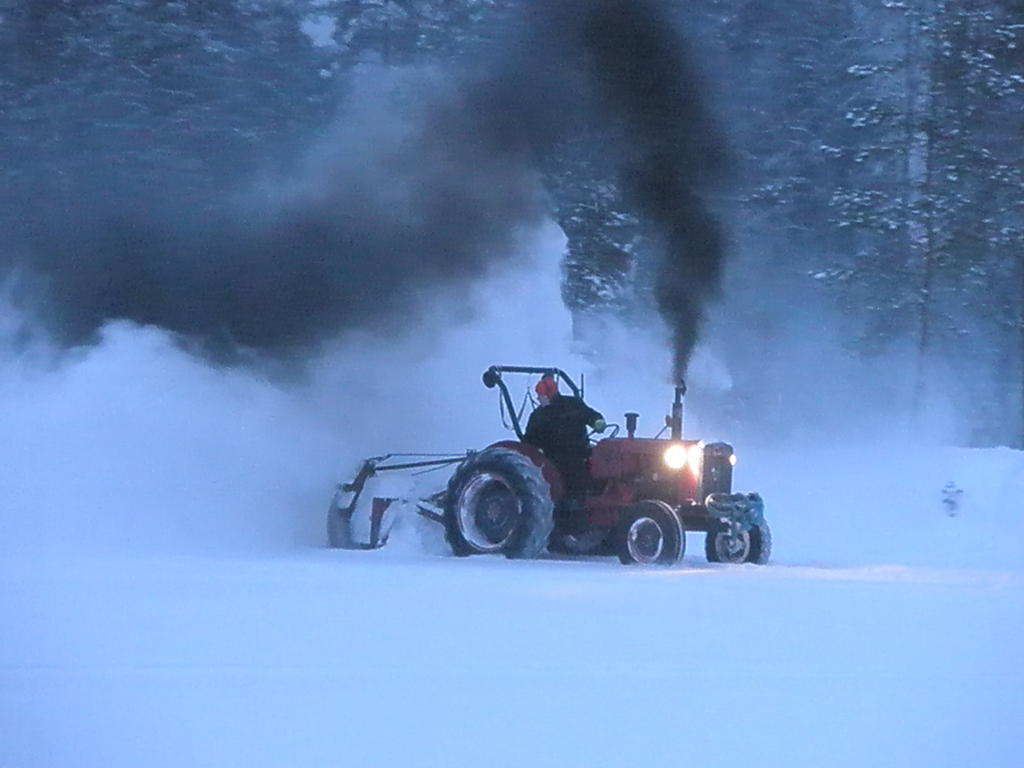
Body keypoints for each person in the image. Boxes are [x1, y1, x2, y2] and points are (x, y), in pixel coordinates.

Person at [524, 374, 606, 499]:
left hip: (581, 456)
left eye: (541, 395)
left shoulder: (573, 404)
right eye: (539, 396)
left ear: (550, 394)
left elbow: (590, 415)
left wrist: (597, 422)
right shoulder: (538, 416)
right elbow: (529, 442)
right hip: (554, 463)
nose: (538, 398)